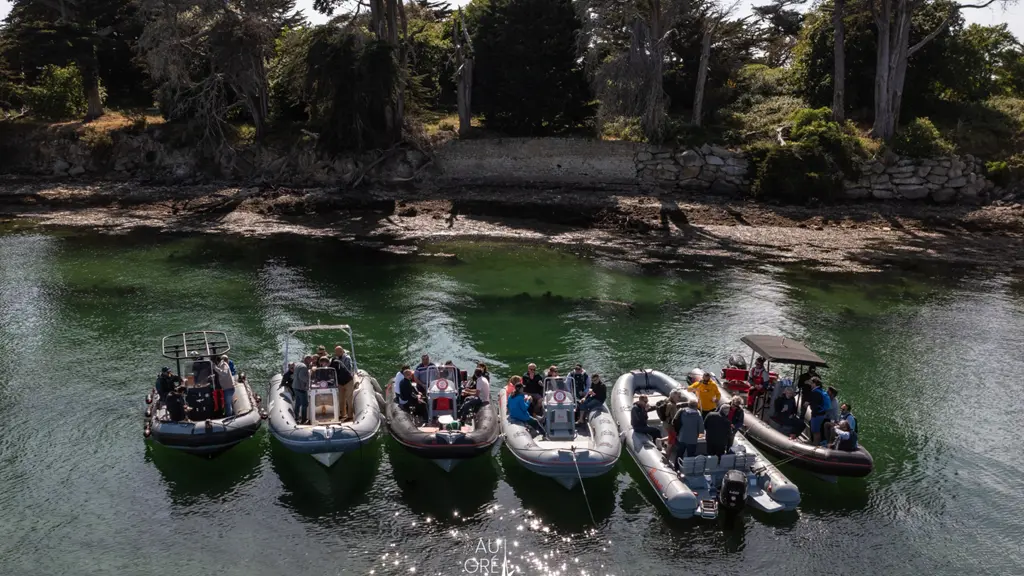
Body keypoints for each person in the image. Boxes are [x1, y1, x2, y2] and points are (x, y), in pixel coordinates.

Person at [331, 346, 356, 421]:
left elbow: (347, 369)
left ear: (341, 351)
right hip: (340, 382)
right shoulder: (335, 359)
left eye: (337, 352)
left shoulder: (347, 358)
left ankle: (350, 416)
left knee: (349, 399)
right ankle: (343, 415)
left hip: (348, 381)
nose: (336, 353)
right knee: (341, 400)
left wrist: (339, 365)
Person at [807, 377, 832, 446]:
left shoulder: (815, 392)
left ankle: (815, 444)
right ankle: (817, 443)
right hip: (822, 414)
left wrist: (811, 406)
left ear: (814, 384)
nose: (810, 385)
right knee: (818, 430)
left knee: (815, 431)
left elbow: (815, 404)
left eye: (811, 383)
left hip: (817, 415)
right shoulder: (821, 390)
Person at [293, 355, 312, 424]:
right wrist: (309, 378)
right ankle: (304, 419)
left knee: (297, 402)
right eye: (310, 360)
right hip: (301, 388)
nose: (311, 362)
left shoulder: (298, 364)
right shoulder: (304, 367)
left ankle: (296, 417)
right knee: (305, 404)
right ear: (307, 360)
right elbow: (302, 377)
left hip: (295, 386)